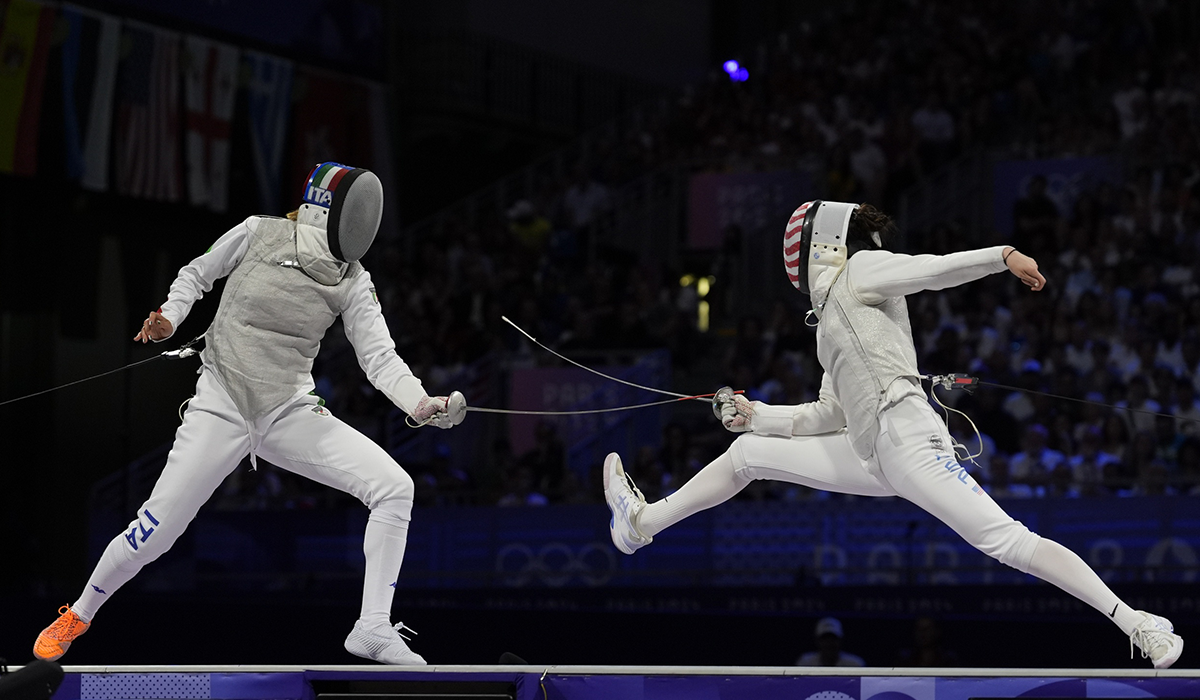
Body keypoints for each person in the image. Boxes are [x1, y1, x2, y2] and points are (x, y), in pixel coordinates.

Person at [604, 200, 1184, 669]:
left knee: (1007, 542)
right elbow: (829, 413)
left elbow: (933, 269)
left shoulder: (860, 270)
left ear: (822, 244)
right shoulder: (830, 320)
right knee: (747, 453)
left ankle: (1139, 623)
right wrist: (757, 415)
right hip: (871, 451)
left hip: (909, 441)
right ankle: (639, 525)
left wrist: (1002, 255)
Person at [33, 163, 465, 665]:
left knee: (395, 488)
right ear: (326, 211)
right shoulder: (260, 232)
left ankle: (372, 627)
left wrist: (420, 403)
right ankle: (80, 614)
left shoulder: (352, 279)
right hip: (222, 403)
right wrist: (170, 317)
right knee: (155, 533)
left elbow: (379, 357)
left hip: (288, 409)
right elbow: (199, 272)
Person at [795, 617, 865, 667]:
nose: (829, 643)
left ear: (840, 640)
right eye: (825, 639)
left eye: (833, 639)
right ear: (817, 641)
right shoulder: (805, 663)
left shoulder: (855, 665)